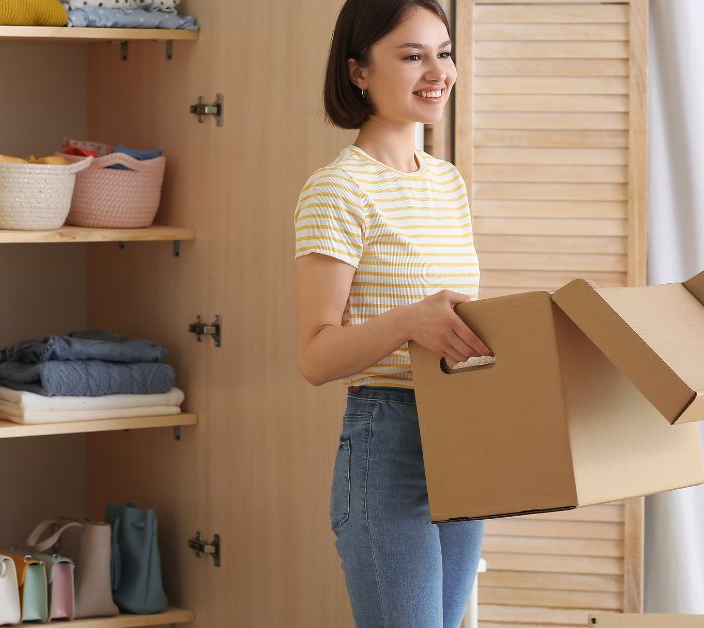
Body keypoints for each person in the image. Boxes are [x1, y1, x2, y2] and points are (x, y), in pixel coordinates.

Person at [292, 1, 491, 625]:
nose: (438, 71)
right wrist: (408, 323)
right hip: (390, 439)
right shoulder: (337, 189)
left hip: (464, 435)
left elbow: (453, 319)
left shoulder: (447, 183)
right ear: (359, 73)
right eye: (412, 56)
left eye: (445, 51)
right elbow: (315, 356)